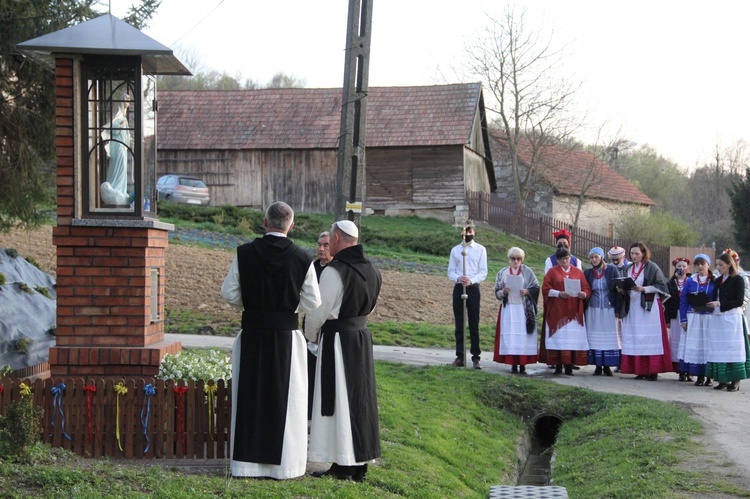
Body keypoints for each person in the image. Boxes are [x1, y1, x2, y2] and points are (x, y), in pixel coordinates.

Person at [220, 201, 321, 479]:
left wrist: (252, 306)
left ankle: (246, 465)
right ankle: (285, 466)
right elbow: (313, 300)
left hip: (252, 331)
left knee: (249, 395)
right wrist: (286, 308)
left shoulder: (245, 253)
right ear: (292, 225)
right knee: (287, 399)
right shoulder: (302, 258)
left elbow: (229, 293)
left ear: (264, 223)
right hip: (286, 336)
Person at [305, 220, 382, 483]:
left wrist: (310, 335)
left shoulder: (334, 271)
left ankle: (343, 464)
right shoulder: (372, 270)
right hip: (361, 338)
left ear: (336, 239)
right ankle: (359, 463)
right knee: (359, 402)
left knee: (338, 401)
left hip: (338, 340)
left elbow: (317, 312)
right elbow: (371, 307)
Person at [617, 242, 672, 381]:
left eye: (637, 253)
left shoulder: (651, 267)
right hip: (633, 307)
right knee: (636, 336)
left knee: (648, 337)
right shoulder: (628, 268)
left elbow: (662, 286)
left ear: (643, 254)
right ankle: (640, 370)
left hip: (649, 307)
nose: (634, 256)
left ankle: (653, 370)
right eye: (632, 253)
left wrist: (644, 288)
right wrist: (622, 288)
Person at [540, 247, 591, 375]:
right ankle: (557, 366)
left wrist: (583, 294)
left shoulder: (578, 272)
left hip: (573, 311)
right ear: (557, 260)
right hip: (558, 311)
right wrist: (558, 293)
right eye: (562, 259)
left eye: (567, 258)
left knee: (571, 337)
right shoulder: (552, 272)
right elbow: (545, 289)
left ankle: (569, 366)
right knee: (559, 337)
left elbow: (587, 288)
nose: (565, 261)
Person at [706, 253, 750, 392]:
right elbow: (714, 296)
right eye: (717, 265)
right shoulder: (718, 280)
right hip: (718, 317)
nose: (718, 268)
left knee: (732, 347)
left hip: (732, 317)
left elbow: (738, 300)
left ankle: (735, 379)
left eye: (721, 265)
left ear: (729, 264)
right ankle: (722, 379)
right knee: (720, 347)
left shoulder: (738, 279)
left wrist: (720, 303)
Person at [493, 247, 540, 374]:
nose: (515, 261)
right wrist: (504, 292)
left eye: (518, 259)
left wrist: (528, 291)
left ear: (521, 260)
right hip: (509, 309)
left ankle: (523, 364)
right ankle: (513, 363)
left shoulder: (527, 272)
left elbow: (536, 287)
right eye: (513, 259)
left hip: (523, 309)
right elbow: (497, 292)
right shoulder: (502, 273)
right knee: (511, 335)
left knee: (523, 336)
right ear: (509, 259)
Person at [447, 223, 488, 369]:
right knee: (459, 323)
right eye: (465, 231)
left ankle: (476, 357)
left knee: (473, 322)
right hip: (459, 288)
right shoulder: (456, 250)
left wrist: (472, 280)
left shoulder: (480, 250)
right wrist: (459, 278)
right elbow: (450, 271)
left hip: (473, 288)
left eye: (470, 231)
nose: (467, 233)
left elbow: (483, 271)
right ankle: (460, 356)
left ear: (474, 232)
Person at [306, 231, 333, 420]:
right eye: (319, 245)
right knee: (309, 371)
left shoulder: (337, 270)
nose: (321, 249)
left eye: (326, 245)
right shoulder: (312, 268)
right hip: (310, 325)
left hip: (329, 327)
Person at [679, 254, 716, 386]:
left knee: (707, 346)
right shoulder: (691, 280)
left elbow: (716, 299)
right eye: (697, 264)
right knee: (697, 346)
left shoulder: (714, 280)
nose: (700, 266)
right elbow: (684, 300)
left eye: (703, 263)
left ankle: (709, 376)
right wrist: (683, 319)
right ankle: (699, 376)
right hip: (694, 317)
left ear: (708, 265)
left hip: (708, 318)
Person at [584, 247, 620, 376]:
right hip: (593, 309)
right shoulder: (588, 273)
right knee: (595, 336)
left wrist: (618, 309)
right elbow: (585, 288)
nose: (594, 260)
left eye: (596, 257)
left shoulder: (611, 270)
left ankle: (607, 366)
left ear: (602, 257)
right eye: (592, 257)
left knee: (608, 336)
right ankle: (598, 366)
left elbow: (618, 289)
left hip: (608, 308)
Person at [100, 98, 132, 206]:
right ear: (122, 103)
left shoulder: (123, 117)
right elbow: (110, 128)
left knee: (122, 169)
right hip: (117, 146)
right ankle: (114, 187)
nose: (128, 103)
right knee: (118, 166)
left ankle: (121, 190)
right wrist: (120, 126)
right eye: (127, 101)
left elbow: (126, 135)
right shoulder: (118, 117)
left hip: (123, 147)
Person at [665, 257, 692, 381]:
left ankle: (689, 370)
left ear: (687, 268)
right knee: (676, 339)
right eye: (679, 266)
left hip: (688, 314)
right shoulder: (670, 283)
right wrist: (667, 319)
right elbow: (667, 302)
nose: (681, 268)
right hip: (675, 315)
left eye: (684, 266)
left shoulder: (691, 281)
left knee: (688, 340)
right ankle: (680, 370)